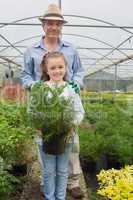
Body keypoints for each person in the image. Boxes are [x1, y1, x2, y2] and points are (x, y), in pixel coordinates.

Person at [20, 4, 85, 198]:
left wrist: (76, 84)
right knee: (46, 150)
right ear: (44, 26)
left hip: (67, 102)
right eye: (50, 23)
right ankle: (47, 183)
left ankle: (72, 183)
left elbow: (80, 71)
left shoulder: (71, 49)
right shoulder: (31, 51)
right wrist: (34, 86)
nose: (54, 27)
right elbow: (24, 76)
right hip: (43, 103)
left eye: (57, 24)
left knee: (71, 148)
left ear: (61, 26)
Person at [28, 51, 84, 200]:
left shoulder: (71, 88)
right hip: (45, 136)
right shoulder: (40, 88)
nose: (57, 70)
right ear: (46, 70)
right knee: (48, 170)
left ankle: (60, 197)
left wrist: (72, 125)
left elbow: (79, 111)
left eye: (60, 67)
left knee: (63, 170)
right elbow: (32, 111)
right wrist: (38, 126)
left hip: (66, 136)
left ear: (66, 68)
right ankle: (49, 197)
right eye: (53, 68)